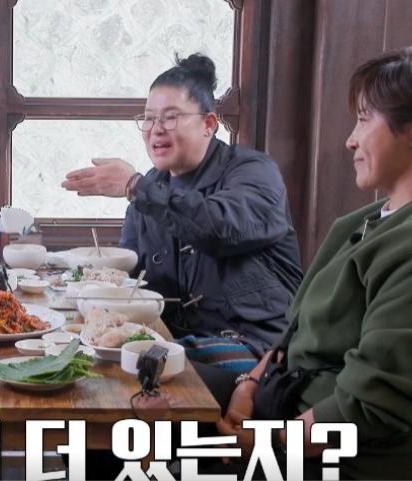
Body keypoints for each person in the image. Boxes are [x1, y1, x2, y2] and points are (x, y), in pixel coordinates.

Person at [214, 47, 412, 480]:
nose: (350, 139)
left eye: (364, 119)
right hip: (285, 403)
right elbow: (294, 332)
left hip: (341, 457)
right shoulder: (361, 223)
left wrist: (264, 444)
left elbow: (369, 405)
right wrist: (249, 386)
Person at [62, 54, 302, 374]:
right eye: (149, 119)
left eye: (171, 117)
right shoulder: (150, 188)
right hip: (178, 339)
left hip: (258, 349)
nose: (155, 130)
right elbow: (131, 281)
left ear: (208, 124)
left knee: (138, 370)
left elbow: (218, 227)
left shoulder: (254, 171)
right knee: (90, 358)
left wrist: (135, 187)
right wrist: (85, 288)